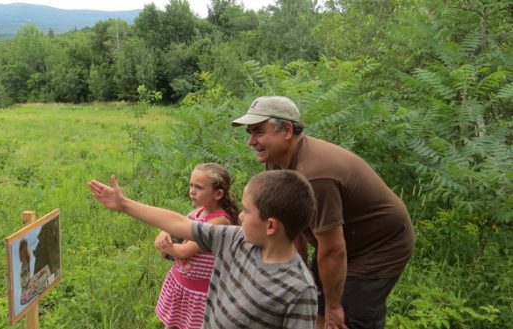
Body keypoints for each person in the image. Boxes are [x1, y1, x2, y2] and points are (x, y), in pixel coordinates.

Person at [231, 96, 415, 329]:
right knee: (316, 305)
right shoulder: (277, 160)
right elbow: (291, 226)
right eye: (249, 133)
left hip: (379, 246)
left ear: (287, 130)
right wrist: (298, 273)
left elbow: (334, 251)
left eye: (258, 132)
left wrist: (334, 306)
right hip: (340, 240)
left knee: (346, 317)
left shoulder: (315, 175)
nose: (251, 141)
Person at [89, 170, 318, 328]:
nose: (239, 215)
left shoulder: (298, 290)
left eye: (247, 211)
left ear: (270, 226)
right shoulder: (235, 240)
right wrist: (124, 204)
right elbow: (180, 224)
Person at [152, 163, 238, 328]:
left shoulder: (219, 221)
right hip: (180, 283)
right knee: (172, 324)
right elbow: (175, 226)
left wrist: (165, 247)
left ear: (218, 194)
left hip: (200, 293)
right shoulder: (198, 212)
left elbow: (184, 251)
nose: (192, 190)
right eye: (191, 185)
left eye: (198, 187)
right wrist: (165, 233)